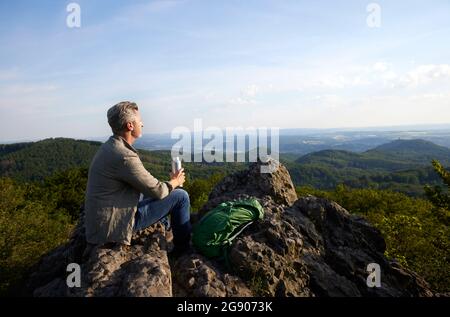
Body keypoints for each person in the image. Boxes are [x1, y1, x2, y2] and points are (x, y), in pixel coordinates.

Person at [84, 101, 191, 254]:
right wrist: (176, 181)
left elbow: (146, 186)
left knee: (147, 193)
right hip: (112, 227)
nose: (142, 123)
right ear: (130, 126)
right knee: (181, 196)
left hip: (100, 223)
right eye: (139, 120)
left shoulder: (110, 147)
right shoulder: (124, 156)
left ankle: (164, 226)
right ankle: (183, 251)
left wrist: (168, 184)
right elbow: (158, 191)